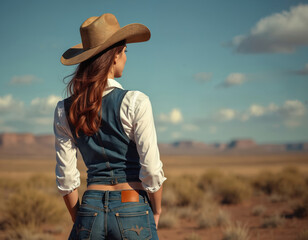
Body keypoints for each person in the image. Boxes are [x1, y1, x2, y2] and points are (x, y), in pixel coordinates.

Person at [53, 13, 166, 240]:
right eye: (125, 51)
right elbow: (151, 170)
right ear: (115, 55)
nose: (126, 57)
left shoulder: (63, 109)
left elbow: (66, 180)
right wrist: (157, 209)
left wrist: (82, 218)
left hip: (89, 208)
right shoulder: (136, 101)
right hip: (132, 204)